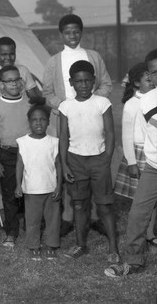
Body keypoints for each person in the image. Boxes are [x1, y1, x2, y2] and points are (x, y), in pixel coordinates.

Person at [43, 14, 112, 237]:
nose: (72, 36)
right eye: (67, 32)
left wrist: (88, 103)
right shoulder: (54, 60)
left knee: (91, 160)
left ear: (81, 32)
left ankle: (92, 217)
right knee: (66, 163)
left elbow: (106, 84)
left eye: (76, 32)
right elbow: (47, 93)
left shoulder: (93, 56)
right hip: (64, 118)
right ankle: (67, 217)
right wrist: (66, 105)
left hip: (89, 120)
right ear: (61, 34)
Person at [59, 60, 118, 261]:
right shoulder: (66, 106)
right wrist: (65, 164)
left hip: (98, 160)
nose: (83, 85)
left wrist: (106, 158)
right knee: (78, 204)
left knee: (104, 206)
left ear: (93, 81)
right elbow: (63, 137)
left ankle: (113, 248)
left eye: (87, 81)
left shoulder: (102, 103)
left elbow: (110, 133)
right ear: (71, 82)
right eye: (78, 81)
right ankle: (80, 244)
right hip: (75, 161)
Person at [105, 50, 157, 277]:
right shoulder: (146, 100)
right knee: (138, 212)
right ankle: (134, 260)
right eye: (154, 73)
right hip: (154, 166)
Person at [0, 65, 30, 248]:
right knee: (9, 195)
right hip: (7, 154)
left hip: (28, 153)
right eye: (9, 80)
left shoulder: (29, 104)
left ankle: (32, 227)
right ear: (1, 84)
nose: (14, 83)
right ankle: (11, 232)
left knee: (30, 192)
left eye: (16, 79)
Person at [114, 63, 157, 244]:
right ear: (137, 84)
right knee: (142, 201)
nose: (153, 82)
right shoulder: (132, 104)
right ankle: (143, 233)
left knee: (153, 201)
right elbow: (126, 134)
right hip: (138, 154)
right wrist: (131, 162)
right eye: (148, 80)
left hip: (150, 152)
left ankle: (150, 233)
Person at [15, 105, 62, 260]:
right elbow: (19, 165)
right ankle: (34, 246)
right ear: (29, 122)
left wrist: (59, 185)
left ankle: (51, 245)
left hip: (51, 189)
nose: (38, 123)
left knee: (52, 220)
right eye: (34, 120)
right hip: (31, 190)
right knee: (33, 220)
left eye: (42, 119)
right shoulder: (23, 142)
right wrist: (18, 184)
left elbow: (58, 165)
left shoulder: (54, 142)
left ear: (48, 122)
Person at [0, 37, 42, 102]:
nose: (8, 57)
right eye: (4, 54)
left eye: (11, 54)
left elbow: (32, 95)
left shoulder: (23, 70)